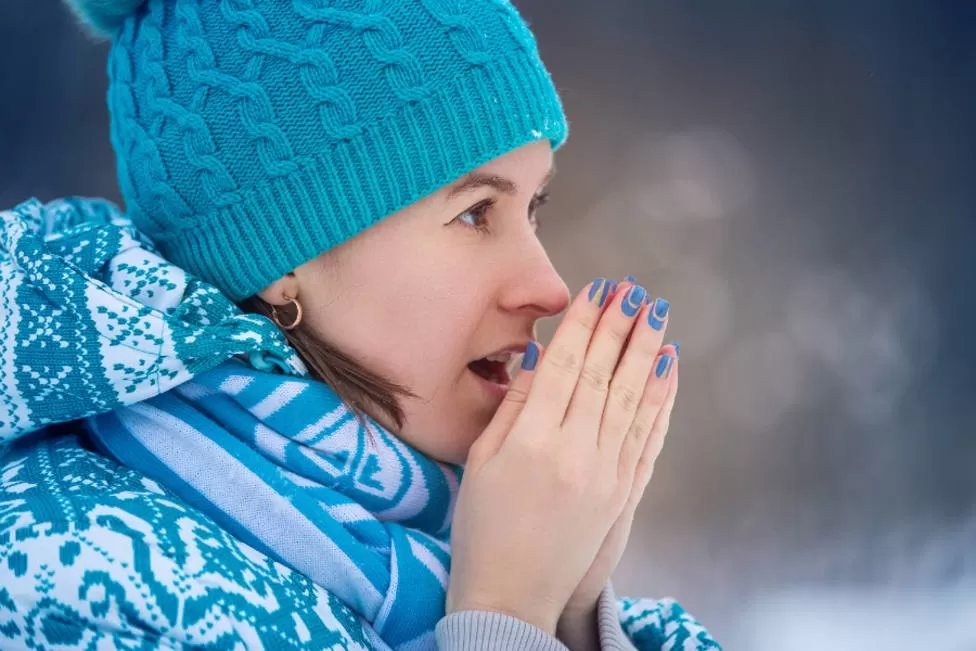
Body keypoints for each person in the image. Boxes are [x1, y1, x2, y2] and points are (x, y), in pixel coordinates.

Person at [0, 1, 720, 649]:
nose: (549, 287)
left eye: (533, 210)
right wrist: (503, 615)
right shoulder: (73, 580)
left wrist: (571, 614)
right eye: (475, 213)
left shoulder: (440, 535)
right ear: (284, 257)